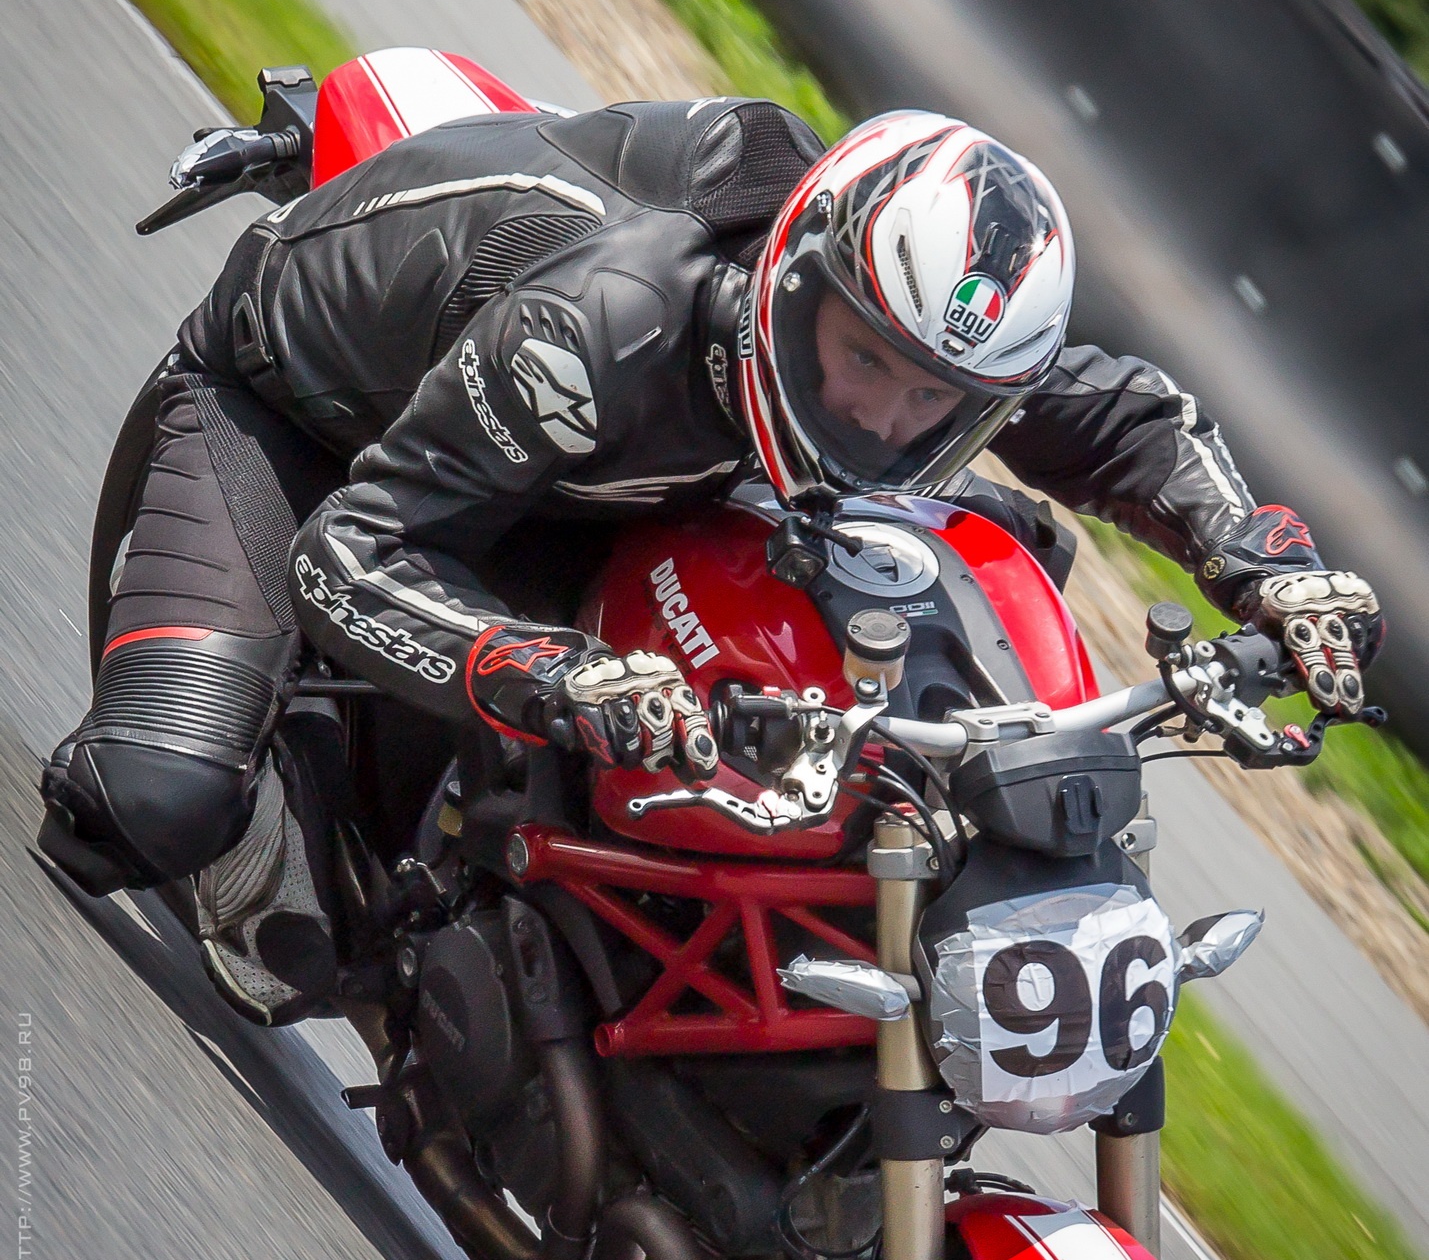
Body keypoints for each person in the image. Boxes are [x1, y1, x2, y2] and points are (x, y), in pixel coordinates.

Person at [38, 97, 1382, 1024]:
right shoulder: (603, 327)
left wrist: (1268, 567)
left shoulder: (915, 319)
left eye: (933, 400)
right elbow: (354, 553)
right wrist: (549, 673)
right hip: (308, 429)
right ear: (797, 283)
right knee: (155, 803)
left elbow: (1132, 418)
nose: (882, 418)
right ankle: (287, 773)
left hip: (600, 475)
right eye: (863, 363)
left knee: (980, 556)